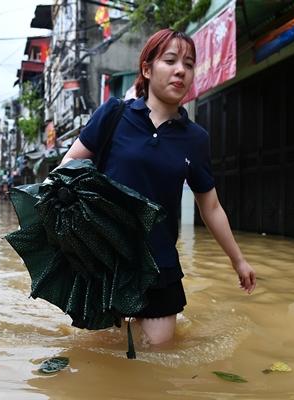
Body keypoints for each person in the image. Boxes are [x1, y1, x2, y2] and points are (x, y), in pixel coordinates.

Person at [59, 29, 256, 345]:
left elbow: (211, 207)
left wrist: (239, 260)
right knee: (100, 353)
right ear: (147, 69)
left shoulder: (195, 139)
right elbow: (69, 165)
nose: (181, 70)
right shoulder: (114, 114)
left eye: (189, 64)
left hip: (159, 261)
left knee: (160, 353)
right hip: (105, 260)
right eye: (170, 60)